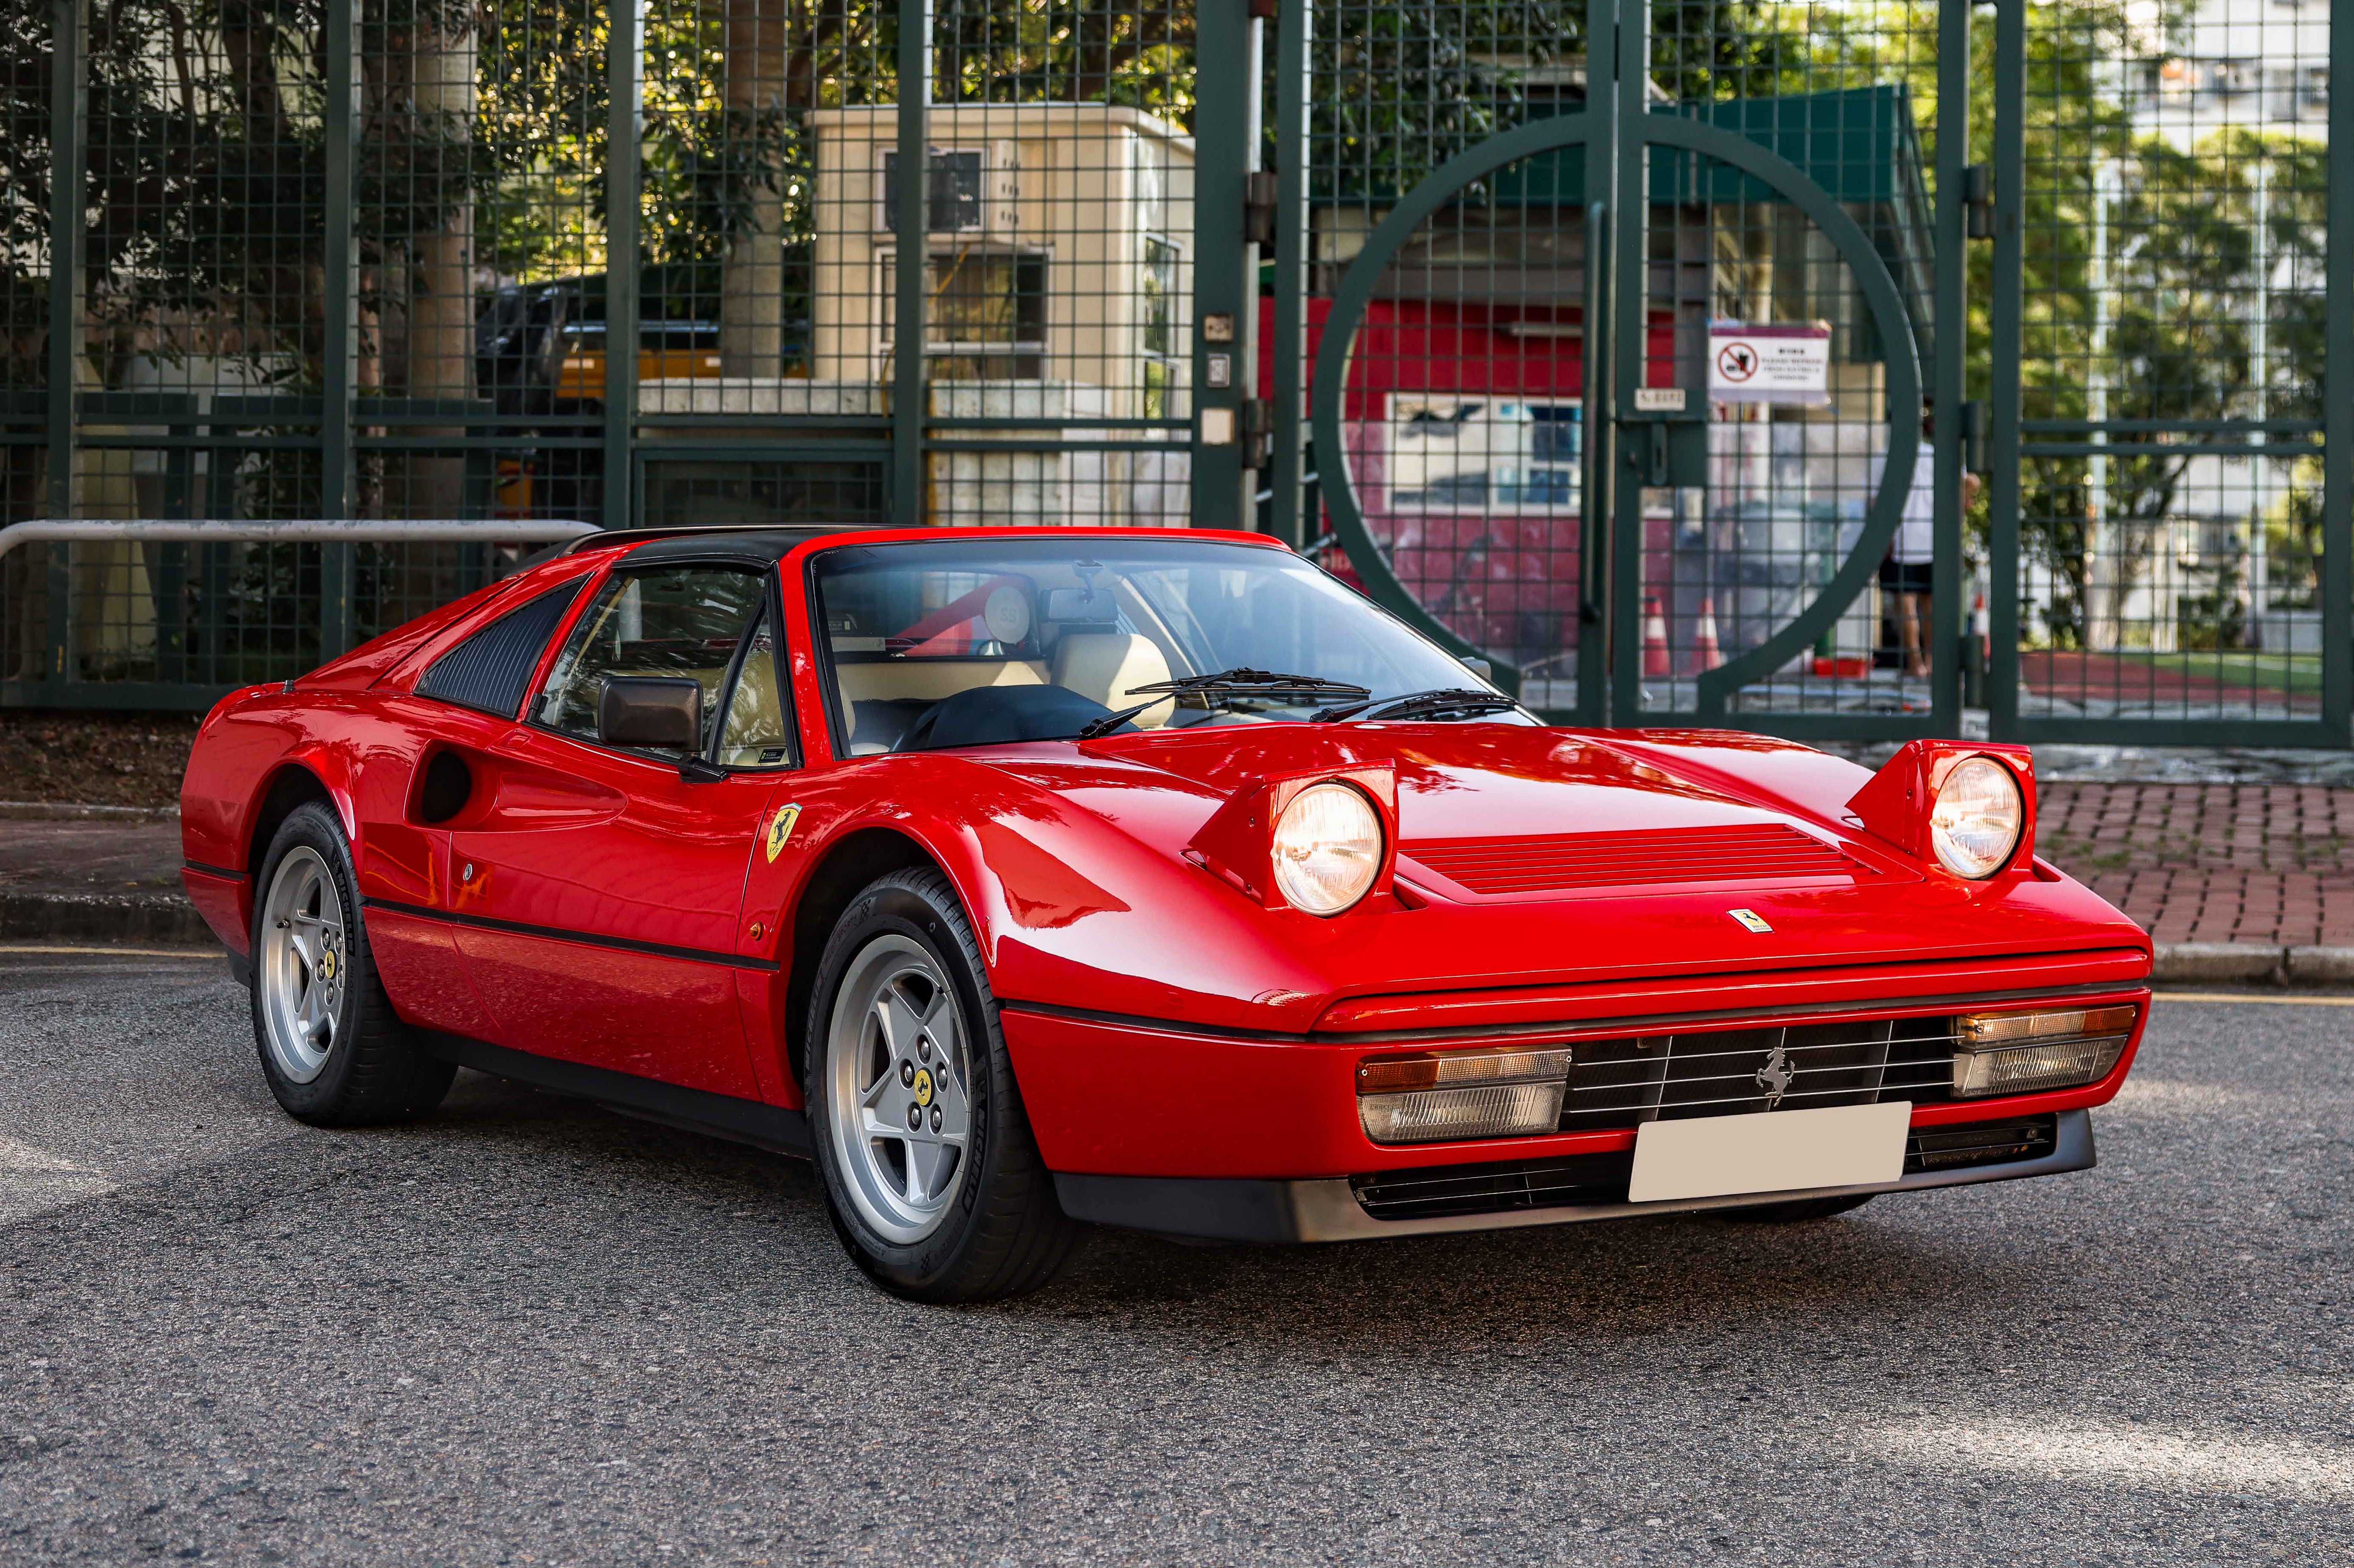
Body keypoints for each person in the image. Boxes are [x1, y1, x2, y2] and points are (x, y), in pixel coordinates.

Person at [1874, 413, 1979, 680]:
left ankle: (1916, 663)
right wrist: (1961, 507)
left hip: (1903, 539)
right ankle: (1933, 662)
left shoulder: (1886, 458)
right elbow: (1972, 481)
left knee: (1906, 607)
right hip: (1937, 538)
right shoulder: (1937, 455)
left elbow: (1875, 503)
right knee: (1932, 606)